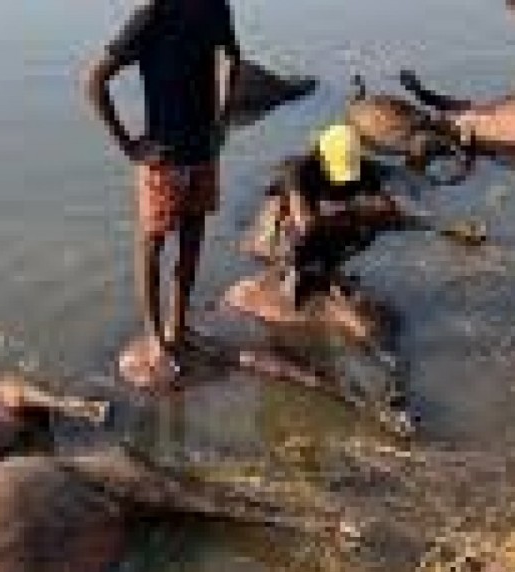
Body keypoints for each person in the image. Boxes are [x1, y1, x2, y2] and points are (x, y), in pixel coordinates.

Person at [84, 0, 242, 385]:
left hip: (202, 153)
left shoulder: (215, 8)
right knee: (152, 247)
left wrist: (221, 121)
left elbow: (233, 59)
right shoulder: (151, 16)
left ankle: (179, 327)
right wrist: (127, 145)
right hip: (161, 159)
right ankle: (155, 337)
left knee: (192, 243)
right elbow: (94, 80)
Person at [251, 123, 395, 306]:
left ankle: (328, 267)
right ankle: (292, 270)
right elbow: (305, 222)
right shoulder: (300, 171)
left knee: (365, 229)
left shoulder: (363, 169)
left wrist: (362, 214)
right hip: (290, 207)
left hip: (326, 211)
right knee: (294, 230)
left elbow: (387, 207)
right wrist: (345, 215)